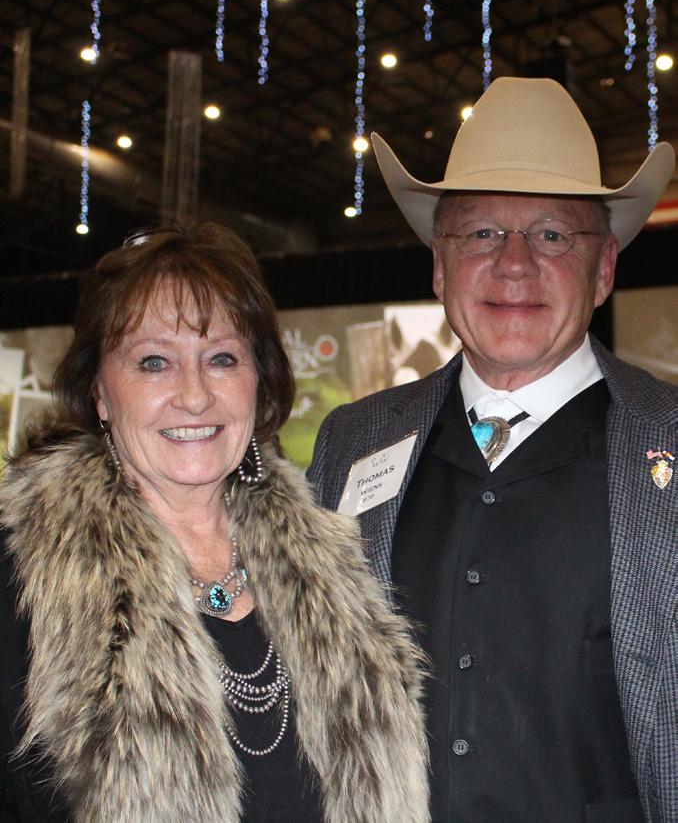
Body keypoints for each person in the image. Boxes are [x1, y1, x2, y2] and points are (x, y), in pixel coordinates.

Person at [308, 77, 677, 823]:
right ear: (438, 266)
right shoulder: (353, 441)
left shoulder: (667, 440)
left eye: (552, 234)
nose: (513, 263)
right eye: (480, 233)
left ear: (604, 269)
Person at [0, 221, 430, 822]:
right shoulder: (23, 578)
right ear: (99, 392)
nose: (195, 395)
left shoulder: (335, 564)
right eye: (154, 362)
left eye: (222, 358)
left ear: (260, 381)